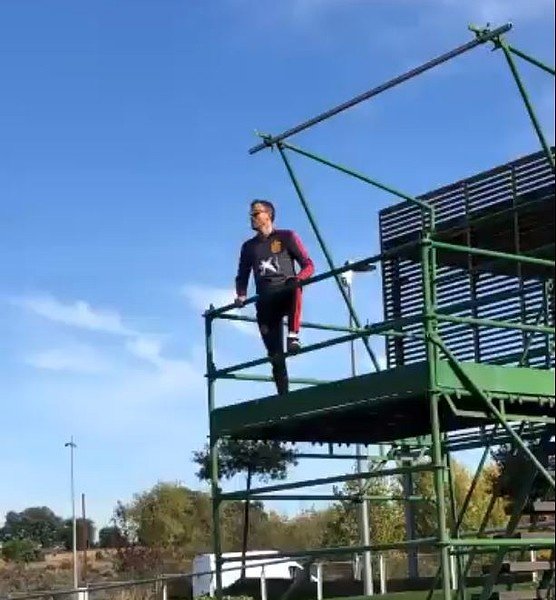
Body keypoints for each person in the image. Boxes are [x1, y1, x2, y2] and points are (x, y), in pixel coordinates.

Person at [235, 199, 314, 395]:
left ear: (268, 215)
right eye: (251, 214)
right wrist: (241, 295)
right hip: (265, 302)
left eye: (256, 213)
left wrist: (299, 278)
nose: (252, 218)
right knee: (274, 355)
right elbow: (242, 274)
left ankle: (293, 336)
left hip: (285, 293)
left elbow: (309, 265)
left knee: (294, 285)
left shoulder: (287, 237)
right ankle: (283, 397)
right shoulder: (248, 247)